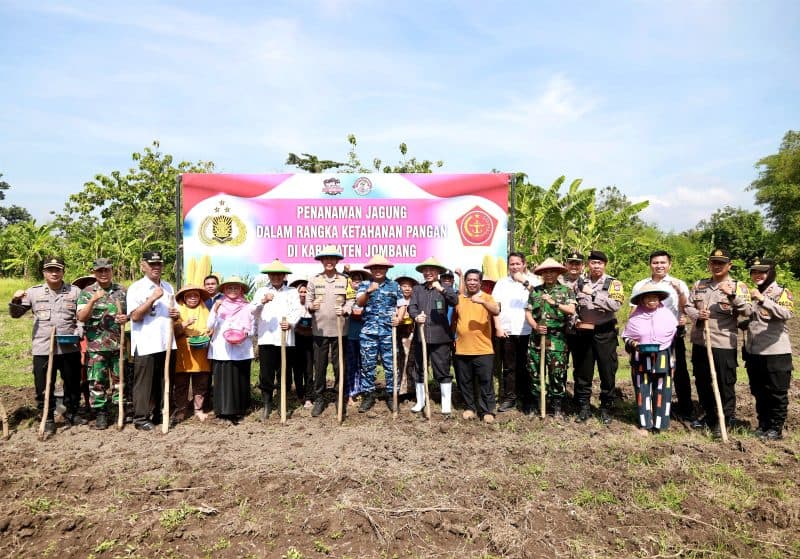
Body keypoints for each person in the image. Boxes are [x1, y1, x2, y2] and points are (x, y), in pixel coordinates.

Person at [9, 256, 84, 434]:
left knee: (72, 383)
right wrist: (16, 299)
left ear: (63, 271)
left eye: (58, 269)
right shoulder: (33, 293)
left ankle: (72, 412)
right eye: (50, 270)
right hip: (43, 347)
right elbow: (15, 314)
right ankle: (48, 416)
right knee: (43, 385)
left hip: (68, 346)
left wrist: (79, 332)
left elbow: (81, 317)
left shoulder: (74, 292)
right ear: (44, 273)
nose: (54, 273)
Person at [685, 248, 752, 436]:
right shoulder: (700, 284)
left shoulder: (738, 286)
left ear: (729, 265)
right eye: (713, 263)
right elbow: (688, 305)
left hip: (722, 343)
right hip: (700, 341)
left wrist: (732, 296)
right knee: (702, 381)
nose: (716, 266)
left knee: (724, 382)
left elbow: (747, 311)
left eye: (721, 263)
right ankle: (710, 415)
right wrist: (698, 314)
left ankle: (726, 417)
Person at [630, 250, 693, 420]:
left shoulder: (678, 283)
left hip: (672, 335)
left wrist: (679, 292)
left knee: (678, 370)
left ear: (669, 264)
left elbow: (686, 308)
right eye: (655, 262)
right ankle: (649, 408)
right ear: (650, 264)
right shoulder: (641, 284)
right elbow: (634, 308)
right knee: (647, 370)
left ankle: (685, 408)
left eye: (663, 263)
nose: (659, 266)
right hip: (648, 338)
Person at [127, 251, 180, 431]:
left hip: (166, 342)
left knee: (164, 380)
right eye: (152, 264)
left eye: (159, 264)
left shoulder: (168, 287)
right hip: (146, 343)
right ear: (143, 266)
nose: (156, 268)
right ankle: (140, 418)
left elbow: (175, 311)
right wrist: (151, 299)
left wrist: (176, 313)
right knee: (144, 384)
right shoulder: (136, 288)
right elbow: (134, 316)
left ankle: (159, 413)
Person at [571, 250, 624, 424]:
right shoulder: (579, 282)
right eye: (593, 263)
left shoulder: (613, 283)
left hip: (604, 332)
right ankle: (583, 406)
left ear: (605, 265)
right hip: (583, 332)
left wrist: (592, 294)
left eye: (599, 263)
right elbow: (573, 304)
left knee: (607, 371)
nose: (596, 266)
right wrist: (575, 318)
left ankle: (606, 407)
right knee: (583, 371)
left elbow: (615, 305)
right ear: (588, 265)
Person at [743, 258, 793, 440]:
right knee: (759, 391)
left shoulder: (781, 292)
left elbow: (786, 313)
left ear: (771, 272)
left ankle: (776, 428)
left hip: (776, 352)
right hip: (754, 352)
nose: (757, 275)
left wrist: (763, 299)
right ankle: (763, 424)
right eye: (754, 272)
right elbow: (753, 316)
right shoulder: (753, 293)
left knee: (777, 393)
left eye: (762, 272)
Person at [75, 258, 128, 430]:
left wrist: (125, 317)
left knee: (120, 380)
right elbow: (81, 317)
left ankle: (120, 410)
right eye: (100, 271)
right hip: (96, 347)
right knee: (97, 381)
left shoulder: (121, 291)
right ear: (94, 272)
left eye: (106, 270)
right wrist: (92, 301)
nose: (103, 274)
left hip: (118, 346)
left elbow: (131, 315)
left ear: (112, 271)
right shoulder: (87, 292)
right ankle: (101, 414)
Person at [622, 283, 680, 434]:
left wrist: (682, 328)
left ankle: (661, 424)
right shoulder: (635, 316)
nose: (651, 300)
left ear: (659, 299)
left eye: (654, 297)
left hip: (664, 358)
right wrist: (634, 343)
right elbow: (626, 336)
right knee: (642, 389)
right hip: (640, 358)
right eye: (647, 298)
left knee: (663, 389)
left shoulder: (667, 314)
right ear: (641, 300)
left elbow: (677, 335)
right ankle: (645, 424)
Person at [524, 258, 576, 418]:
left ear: (558, 273)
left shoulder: (566, 291)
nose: (548, 275)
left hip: (556, 339)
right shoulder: (536, 291)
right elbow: (528, 312)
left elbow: (571, 310)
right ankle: (537, 404)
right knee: (534, 372)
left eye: (552, 271)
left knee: (556, 373)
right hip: (537, 339)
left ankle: (557, 406)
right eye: (545, 272)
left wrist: (554, 303)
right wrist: (535, 326)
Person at [407, 257, 459, 416]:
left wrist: (441, 289)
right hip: (421, 335)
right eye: (425, 270)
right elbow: (412, 307)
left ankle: (445, 404)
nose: (428, 273)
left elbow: (454, 301)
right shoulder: (417, 289)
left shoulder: (446, 288)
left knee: (442, 369)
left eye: (432, 270)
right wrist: (416, 316)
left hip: (441, 337)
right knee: (420, 369)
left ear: (438, 272)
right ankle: (420, 401)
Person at [306, 245, 353, 417]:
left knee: (339, 365)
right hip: (320, 331)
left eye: (332, 259)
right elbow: (308, 302)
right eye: (326, 258)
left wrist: (346, 309)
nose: (329, 261)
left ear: (337, 261)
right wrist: (311, 306)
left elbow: (351, 299)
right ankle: (319, 398)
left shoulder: (345, 280)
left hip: (341, 331)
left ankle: (340, 396)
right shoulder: (314, 280)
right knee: (319, 367)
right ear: (321, 261)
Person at [253, 259, 302, 420]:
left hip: (285, 339)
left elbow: (297, 311)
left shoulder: (292, 291)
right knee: (266, 373)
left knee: (284, 372)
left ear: (284, 276)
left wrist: (290, 323)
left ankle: (282, 403)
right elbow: (252, 311)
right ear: (268, 276)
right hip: (266, 337)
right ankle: (267, 403)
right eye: (273, 274)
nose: (276, 277)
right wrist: (263, 301)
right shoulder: (261, 291)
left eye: (279, 274)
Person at [356, 255, 403, 413]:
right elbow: (359, 302)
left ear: (386, 269)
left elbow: (402, 304)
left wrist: (400, 318)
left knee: (391, 366)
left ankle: (391, 395)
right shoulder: (364, 285)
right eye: (374, 268)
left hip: (389, 332)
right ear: (370, 270)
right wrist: (369, 291)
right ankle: (368, 395)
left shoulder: (394, 285)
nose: (378, 270)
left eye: (381, 267)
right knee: (367, 366)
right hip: (369, 332)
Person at [492, 252, 538, 413]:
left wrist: (524, 282)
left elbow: (540, 298)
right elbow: (495, 307)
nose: (514, 267)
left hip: (528, 331)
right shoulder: (501, 283)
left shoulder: (534, 280)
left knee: (527, 366)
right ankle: (510, 398)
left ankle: (527, 398)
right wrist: (498, 326)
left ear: (524, 264)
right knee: (509, 367)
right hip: (507, 331)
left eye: (518, 263)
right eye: (512, 264)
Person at [452, 269, 500, 422]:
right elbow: (455, 319)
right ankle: (469, 407)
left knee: (485, 381)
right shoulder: (459, 299)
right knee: (465, 381)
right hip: (462, 348)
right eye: (469, 280)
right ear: (465, 282)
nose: (472, 282)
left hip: (483, 348)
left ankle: (487, 410)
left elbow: (497, 310)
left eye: (475, 280)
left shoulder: (487, 297)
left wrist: (483, 302)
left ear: (480, 282)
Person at [207, 276, 256, 423]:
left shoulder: (248, 307)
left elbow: (254, 328)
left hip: (241, 349)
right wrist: (214, 309)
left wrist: (245, 334)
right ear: (224, 290)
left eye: (236, 288)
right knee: (223, 380)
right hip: (222, 349)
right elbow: (209, 325)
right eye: (229, 288)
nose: (233, 290)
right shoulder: (219, 306)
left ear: (241, 290)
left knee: (239, 379)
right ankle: (222, 411)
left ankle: (239, 410)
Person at [172, 284, 211, 424]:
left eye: (196, 295)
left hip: (201, 351)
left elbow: (212, 327)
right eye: (189, 296)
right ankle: (181, 410)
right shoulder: (177, 311)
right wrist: (184, 324)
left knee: (201, 382)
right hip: (183, 351)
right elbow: (172, 332)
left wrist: (209, 332)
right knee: (181, 383)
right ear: (184, 298)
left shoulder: (205, 310)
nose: (193, 298)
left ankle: (198, 409)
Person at [344, 268, 370, 407]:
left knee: (364, 365)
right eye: (354, 279)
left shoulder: (368, 295)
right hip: (350, 336)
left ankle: (363, 391)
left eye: (359, 278)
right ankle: (350, 394)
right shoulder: (345, 295)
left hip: (366, 335)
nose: (357, 281)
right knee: (351, 365)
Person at [290, 279, 314, 409]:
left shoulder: (312, 306)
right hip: (295, 340)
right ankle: (300, 394)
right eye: (301, 291)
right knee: (297, 369)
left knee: (309, 370)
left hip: (310, 340)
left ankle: (309, 396)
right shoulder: (293, 307)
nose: (303, 294)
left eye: (306, 291)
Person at [394, 276, 418, 400]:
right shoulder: (396, 301)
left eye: (410, 286)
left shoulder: (416, 301)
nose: (407, 288)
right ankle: (400, 390)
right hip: (398, 335)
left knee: (412, 361)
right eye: (404, 286)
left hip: (412, 335)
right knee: (399, 361)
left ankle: (412, 389)